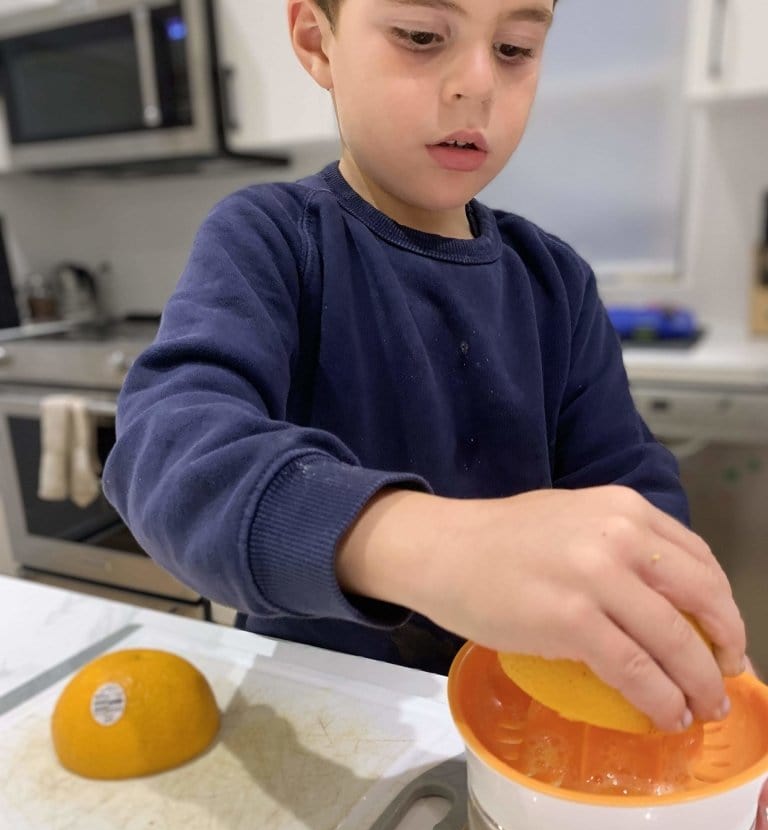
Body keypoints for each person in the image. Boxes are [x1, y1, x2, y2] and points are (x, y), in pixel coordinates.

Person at [102, 0, 746, 736]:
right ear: (318, 43)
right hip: (322, 725)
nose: (476, 83)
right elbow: (171, 450)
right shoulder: (271, 239)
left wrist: (695, 652)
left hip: (530, 728)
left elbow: (630, 488)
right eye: (421, 37)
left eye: (513, 48)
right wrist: (436, 549)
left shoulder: (556, 282)